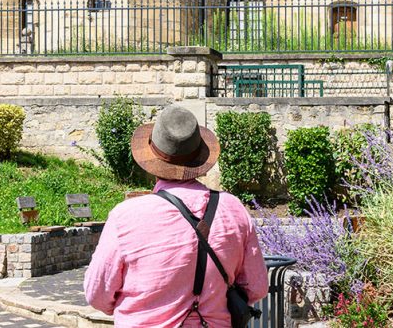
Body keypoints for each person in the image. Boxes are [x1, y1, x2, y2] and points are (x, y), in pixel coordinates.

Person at [84, 105, 269, 327]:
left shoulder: (126, 216)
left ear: (152, 160)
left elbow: (98, 294)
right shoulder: (233, 208)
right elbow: (256, 287)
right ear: (199, 158)